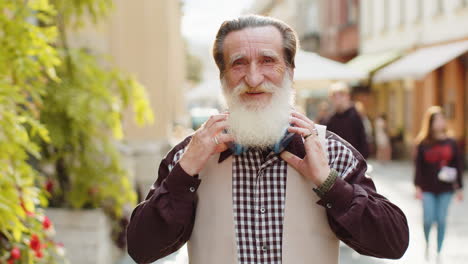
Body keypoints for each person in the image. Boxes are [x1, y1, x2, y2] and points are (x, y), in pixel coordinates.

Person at [126, 15, 408, 264]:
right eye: (239, 63)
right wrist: (184, 173)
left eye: (267, 60)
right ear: (223, 78)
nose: (253, 77)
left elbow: (393, 242)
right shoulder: (190, 155)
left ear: (290, 71)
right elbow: (142, 249)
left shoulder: (329, 150)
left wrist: (330, 184)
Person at [414, 106, 464, 261]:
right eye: (436, 120)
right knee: (428, 218)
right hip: (428, 187)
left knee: (441, 219)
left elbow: (458, 165)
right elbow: (418, 167)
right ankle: (427, 242)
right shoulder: (423, 143)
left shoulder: (451, 142)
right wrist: (417, 187)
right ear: (430, 123)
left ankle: (439, 250)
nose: (439, 122)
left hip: (446, 188)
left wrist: (459, 188)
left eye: (441, 119)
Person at [325, 82, 369, 159]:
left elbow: (363, 140)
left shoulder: (355, 115)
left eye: (341, 95)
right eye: (334, 96)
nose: (337, 98)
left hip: (355, 159)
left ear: (347, 96)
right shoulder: (330, 119)